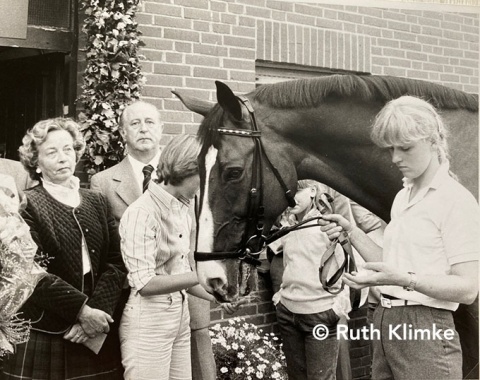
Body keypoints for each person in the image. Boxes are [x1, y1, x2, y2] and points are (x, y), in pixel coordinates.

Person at [320, 95, 479, 380]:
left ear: (433, 141)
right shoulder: (403, 196)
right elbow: (391, 265)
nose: (395, 158)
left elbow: (468, 288)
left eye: (405, 148)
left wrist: (404, 279)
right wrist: (350, 232)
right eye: (391, 149)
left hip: (426, 327)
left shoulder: (455, 200)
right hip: (386, 320)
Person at [90, 101, 217, 380]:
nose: (143, 129)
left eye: (150, 122)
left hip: (182, 305)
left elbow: (189, 251)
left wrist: (216, 292)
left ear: (161, 129)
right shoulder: (112, 188)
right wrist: (203, 276)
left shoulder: (182, 203)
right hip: (143, 308)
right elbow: (139, 277)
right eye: (135, 123)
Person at [1, 117, 127, 379]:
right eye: (52, 152)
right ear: (35, 162)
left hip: (94, 333)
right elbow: (30, 271)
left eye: (68, 149)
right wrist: (81, 311)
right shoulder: (26, 205)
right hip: (47, 330)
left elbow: (116, 262)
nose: (62, 158)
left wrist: (95, 315)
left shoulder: (97, 202)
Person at [118, 135, 236, 380]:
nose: (205, 187)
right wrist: (203, 274)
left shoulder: (182, 208)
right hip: (149, 323)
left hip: (180, 317)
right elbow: (145, 283)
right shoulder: (141, 213)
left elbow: (180, 276)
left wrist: (218, 297)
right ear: (184, 171)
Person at [272, 179, 356, 380]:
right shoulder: (289, 226)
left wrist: (338, 308)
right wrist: (280, 297)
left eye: (296, 192)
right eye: (287, 195)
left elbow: (347, 267)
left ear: (312, 191)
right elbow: (288, 263)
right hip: (288, 313)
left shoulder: (327, 225)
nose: (291, 200)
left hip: (319, 315)